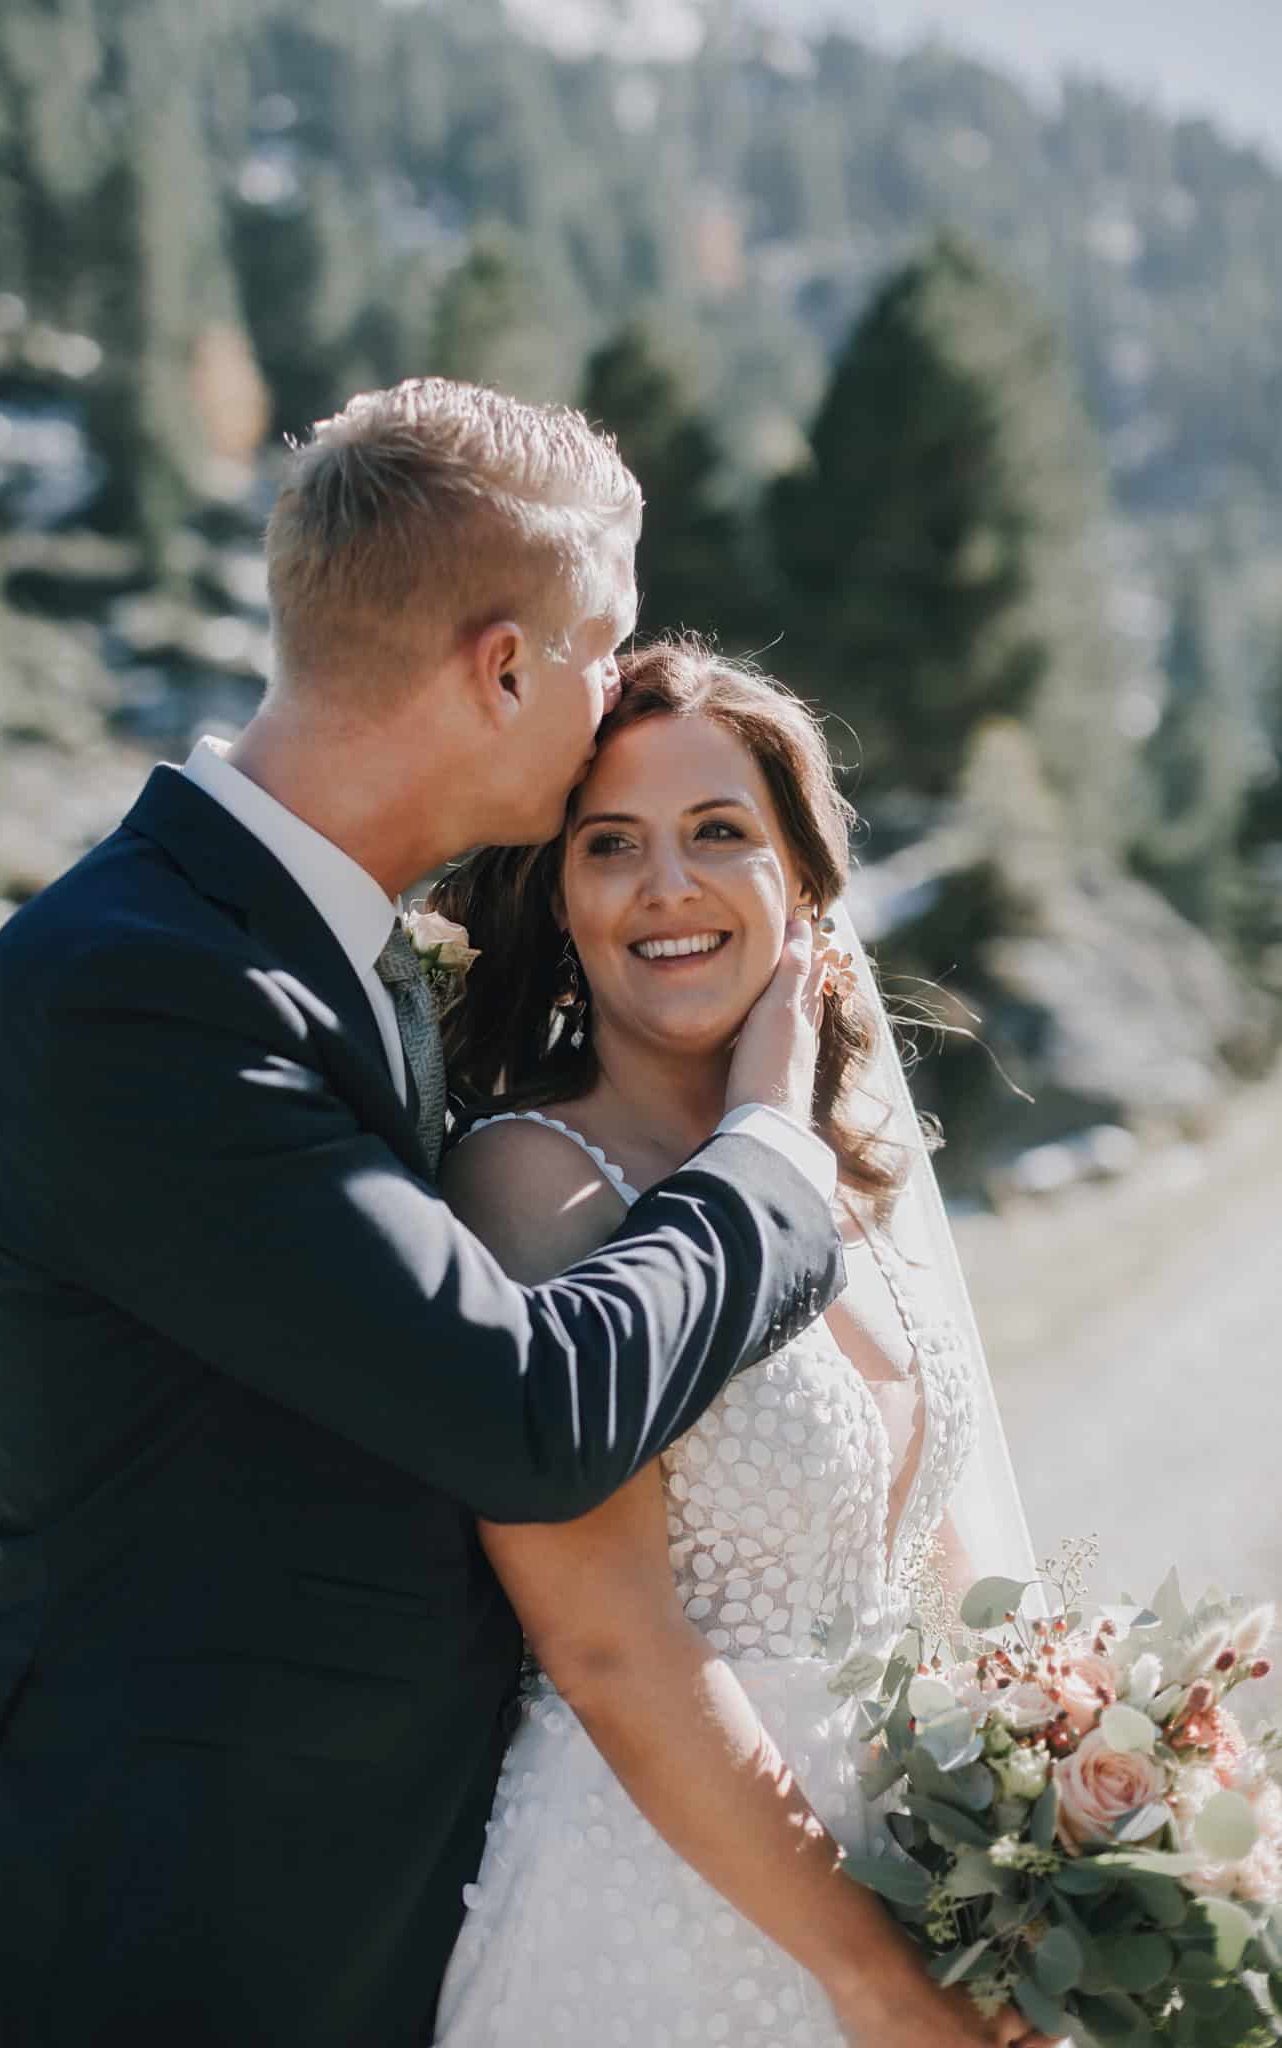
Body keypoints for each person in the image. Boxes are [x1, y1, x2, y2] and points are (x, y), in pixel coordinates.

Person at [0, 384, 849, 2048]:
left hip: (392, 1911)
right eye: (602, 651)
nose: (616, 694)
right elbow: (523, 1408)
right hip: (181, 1938)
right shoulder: (135, 989)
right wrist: (768, 1153)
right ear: (502, 671)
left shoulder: (327, 943)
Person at [429, 637, 1048, 2047]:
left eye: (720, 832)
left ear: (805, 889)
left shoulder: (854, 1185)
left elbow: (951, 1572)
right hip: (658, 1917)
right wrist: (870, 1980)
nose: (668, 885)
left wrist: (1056, 1820)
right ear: (562, 899)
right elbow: (605, 1644)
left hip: (917, 1885)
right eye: (611, 845)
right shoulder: (529, 1186)